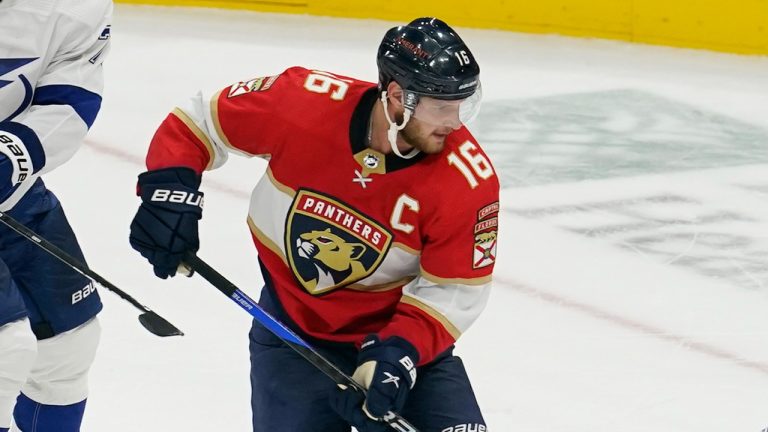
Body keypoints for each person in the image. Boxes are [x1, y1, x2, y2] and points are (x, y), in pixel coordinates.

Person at [129, 17, 498, 432]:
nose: (456, 122)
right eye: (443, 107)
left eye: (464, 105)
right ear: (397, 96)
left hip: (397, 340)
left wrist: (399, 354)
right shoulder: (304, 102)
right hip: (292, 330)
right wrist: (167, 195)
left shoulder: (467, 181)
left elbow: (454, 291)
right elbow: (199, 122)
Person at [0, 0, 112, 430]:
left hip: (14, 195)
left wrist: (11, 156)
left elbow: (70, 94)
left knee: (67, 346)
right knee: (5, 349)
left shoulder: (77, 5)